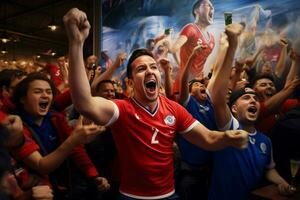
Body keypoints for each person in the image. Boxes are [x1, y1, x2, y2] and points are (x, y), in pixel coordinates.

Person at [63, 8, 249, 200]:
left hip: (169, 196)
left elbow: (208, 139)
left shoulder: (174, 109)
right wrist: (76, 43)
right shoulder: (121, 109)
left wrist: (228, 137)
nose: (150, 71)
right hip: (130, 196)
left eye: (153, 67)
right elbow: (83, 102)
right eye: (142, 69)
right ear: (129, 83)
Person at [208, 23, 295, 200]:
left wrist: (281, 182)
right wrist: (231, 46)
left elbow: (269, 169)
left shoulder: (265, 141)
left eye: (255, 98)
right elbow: (217, 98)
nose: (253, 100)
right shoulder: (229, 127)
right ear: (233, 108)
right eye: (246, 98)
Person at [170, 0, 215, 93]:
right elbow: (174, 49)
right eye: (208, 5)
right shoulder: (191, 28)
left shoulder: (212, 40)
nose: (212, 8)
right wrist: (183, 69)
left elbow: (201, 63)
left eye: (212, 7)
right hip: (183, 84)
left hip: (198, 85)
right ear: (196, 11)